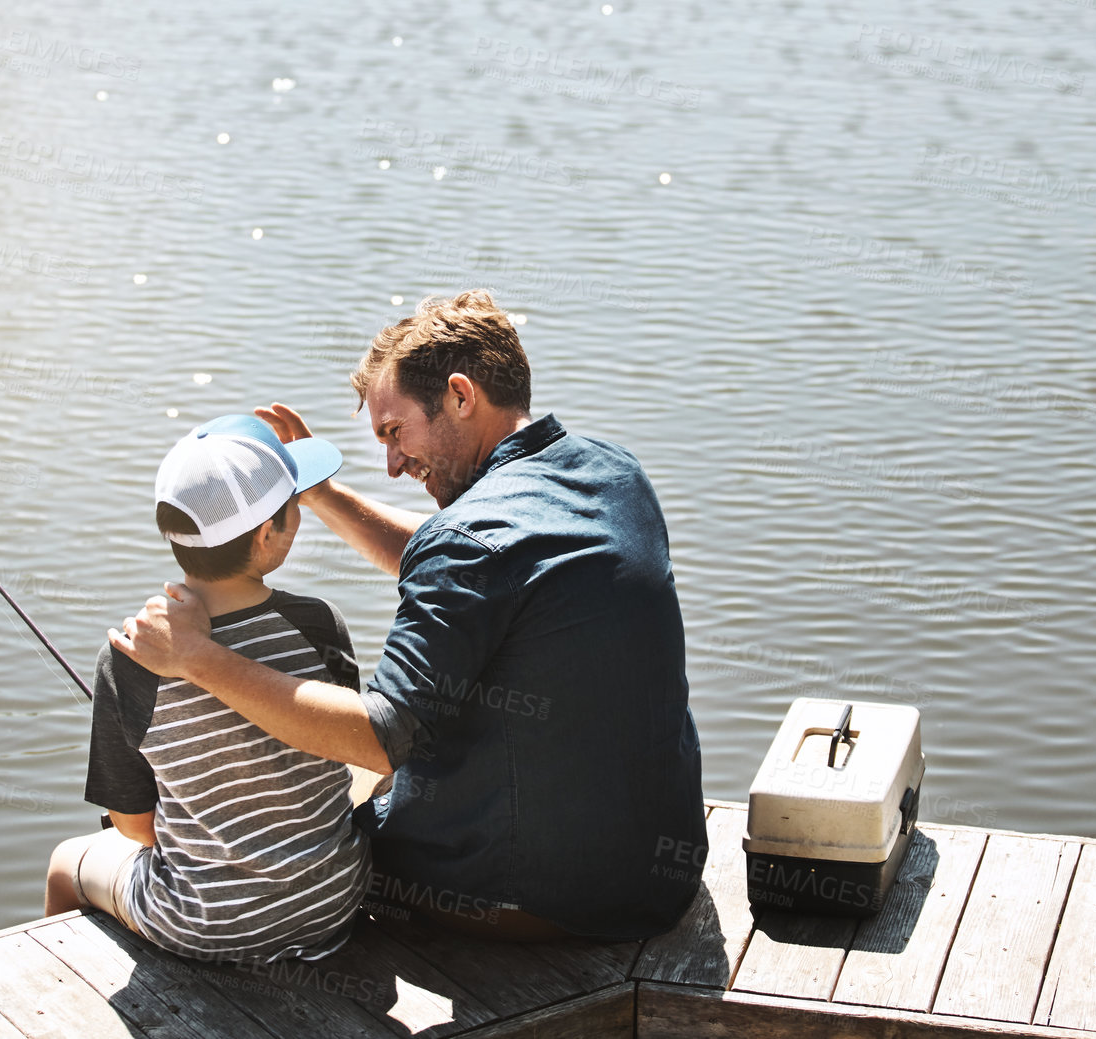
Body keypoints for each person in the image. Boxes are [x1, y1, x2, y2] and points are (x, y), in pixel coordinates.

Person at [111, 290, 707, 942]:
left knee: (314, 835)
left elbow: (377, 735)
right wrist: (324, 495)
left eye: (394, 433)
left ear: (459, 394)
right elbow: (476, 567)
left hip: (534, 898)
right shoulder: (609, 470)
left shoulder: (469, 544)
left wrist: (196, 655)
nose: (393, 465)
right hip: (656, 876)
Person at [46, 414, 371, 964]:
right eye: (294, 506)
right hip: (332, 901)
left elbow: (135, 829)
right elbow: (348, 749)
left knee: (64, 864)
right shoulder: (320, 624)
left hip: (204, 926)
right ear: (269, 534)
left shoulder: (127, 659)